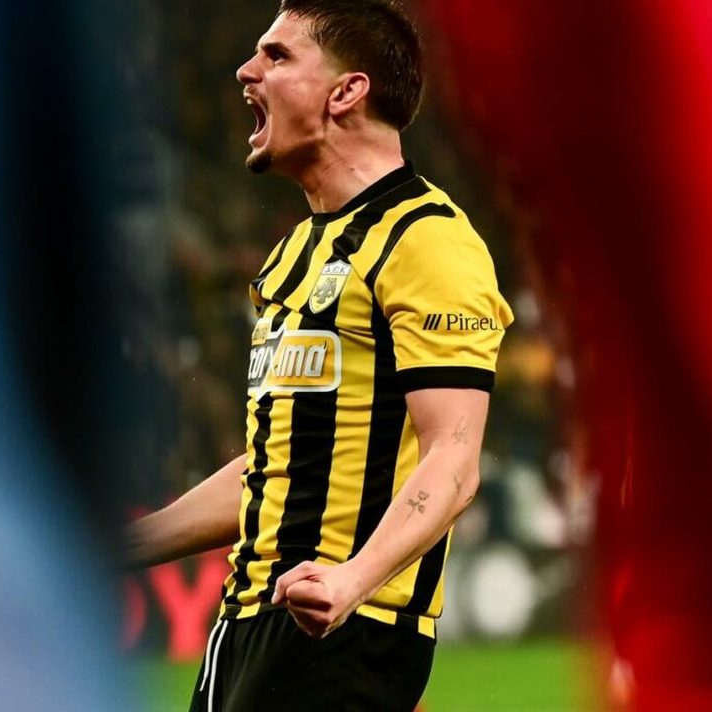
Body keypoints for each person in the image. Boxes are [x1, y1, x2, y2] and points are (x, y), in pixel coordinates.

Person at [127, 1, 512, 709]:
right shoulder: (294, 253)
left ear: (346, 92)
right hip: (246, 625)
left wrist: (350, 580)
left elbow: (454, 459)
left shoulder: (428, 241)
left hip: (341, 626)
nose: (246, 71)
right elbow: (275, 464)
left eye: (277, 56)